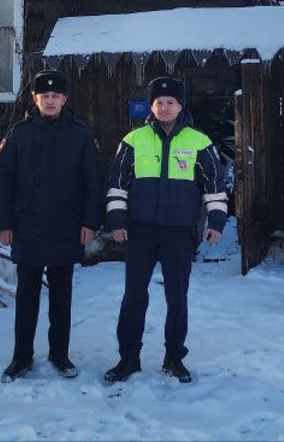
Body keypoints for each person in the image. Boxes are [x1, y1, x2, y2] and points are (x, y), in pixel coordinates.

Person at [103, 76, 228, 384]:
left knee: (177, 298)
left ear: (181, 105)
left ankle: (174, 358)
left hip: (178, 233)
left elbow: (214, 187)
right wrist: (117, 222)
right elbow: (118, 185)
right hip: (140, 231)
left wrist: (215, 222)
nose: (164, 107)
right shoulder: (133, 140)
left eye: (170, 102)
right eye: (159, 102)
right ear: (151, 106)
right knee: (134, 296)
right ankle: (128, 358)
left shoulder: (200, 142)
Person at [0, 70, 104, 383]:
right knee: (26, 298)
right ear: (35, 99)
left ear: (65, 99)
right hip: (27, 227)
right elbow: (2, 181)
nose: (51, 100)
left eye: (56, 95)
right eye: (45, 95)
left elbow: (93, 182)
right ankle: (21, 357)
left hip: (65, 227)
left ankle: (59, 354)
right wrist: (3, 223)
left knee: (61, 298)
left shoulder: (80, 135)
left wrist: (90, 222)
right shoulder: (19, 134)